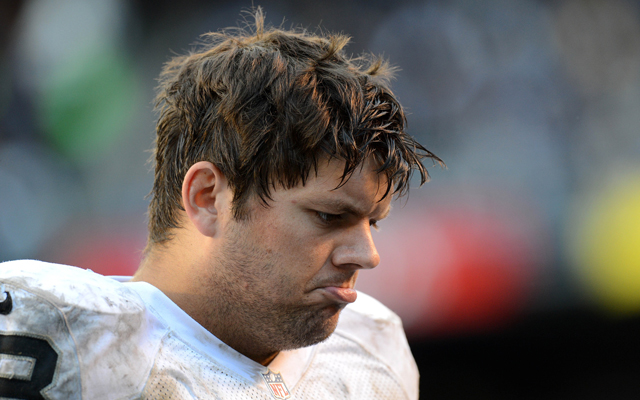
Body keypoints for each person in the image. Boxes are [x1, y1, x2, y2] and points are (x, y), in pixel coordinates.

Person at [0, 8, 442, 400]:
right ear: (208, 198)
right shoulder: (54, 330)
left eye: (373, 223)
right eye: (328, 216)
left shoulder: (372, 350)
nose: (368, 256)